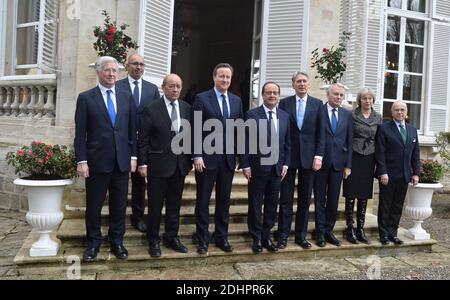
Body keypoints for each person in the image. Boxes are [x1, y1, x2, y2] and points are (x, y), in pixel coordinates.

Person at [74, 56, 137, 262]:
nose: (111, 74)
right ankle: (93, 243)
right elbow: (80, 134)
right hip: (96, 163)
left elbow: (131, 131)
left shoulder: (126, 96)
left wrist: (133, 157)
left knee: (119, 206)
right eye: (107, 70)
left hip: (121, 162)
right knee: (94, 206)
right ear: (98, 72)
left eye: (114, 71)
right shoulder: (86, 98)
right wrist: (81, 161)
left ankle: (117, 241)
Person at [137, 74, 192, 257]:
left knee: (174, 206)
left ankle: (172, 237)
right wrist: (142, 163)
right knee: (155, 206)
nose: (175, 89)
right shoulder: (151, 109)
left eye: (178, 86)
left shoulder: (186, 108)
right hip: (157, 166)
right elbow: (143, 140)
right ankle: (153, 240)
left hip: (179, 166)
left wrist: (190, 159)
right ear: (163, 87)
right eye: (171, 86)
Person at [192, 63, 244, 254]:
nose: (224, 80)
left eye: (228, 77)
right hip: (206, 159)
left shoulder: (237, 101)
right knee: (203, 200)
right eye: (221, 76)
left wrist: (239, 154)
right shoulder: (201, 98)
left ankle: (222, 237)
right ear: (214, 77)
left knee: (224, 201)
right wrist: (196, 154)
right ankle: (202, 239)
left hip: (228, 160)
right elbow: (196, 128)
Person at [240, 82, 291, 253]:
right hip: (257, 168)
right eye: (268, 92)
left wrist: (285, 164)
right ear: (262, 95)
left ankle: (266, 236)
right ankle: (256, 237)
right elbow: (245, 142)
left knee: (271, 204)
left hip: (277, 169)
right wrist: (245, 164)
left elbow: (288, 144)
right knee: (255, 204)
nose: (272, 95)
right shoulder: (251, 115)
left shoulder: (284, 116)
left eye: (275, 93)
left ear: (279, 96)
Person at [276, 71, 325, 250]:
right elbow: (281, 130)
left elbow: (321, 133)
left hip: (310, 159)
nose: (302, 84)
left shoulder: (318, 105)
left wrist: (319, 156)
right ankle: (282, 236)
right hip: (288, 158)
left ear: (308, 84)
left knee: (305, 200)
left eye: (304, 81)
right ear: (293, 85)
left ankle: (301, 236)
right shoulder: (284, 103)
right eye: (298, 81)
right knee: (286, 199)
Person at [116, 53, 160, 233]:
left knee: (140, 183)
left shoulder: (152, 89)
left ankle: (138, 217)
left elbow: (158, 115)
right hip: (121, 141)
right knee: (118, 182)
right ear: (127, 67)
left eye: (142, 64)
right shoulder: (117, 86)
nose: (139, 67)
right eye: (135, 64)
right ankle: (117, 219)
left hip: (144, 143)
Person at [314, 83, 353, 247]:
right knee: (319, 200)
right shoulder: (318, 111)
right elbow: (315, 136)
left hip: (339, 164)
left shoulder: (346, 114)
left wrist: (348, 165)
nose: (338, 97)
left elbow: (349, 141)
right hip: (320, 164)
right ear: (328, 95)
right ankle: (320, 232)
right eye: (335, 94)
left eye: (341, 95)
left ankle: (329, 231)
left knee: (333, 200)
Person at [375, 100, 420, 245]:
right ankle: (383, 234)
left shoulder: (412, 130)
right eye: (396, 110)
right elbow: (380, 153)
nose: (399, 112)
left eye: (402, 110)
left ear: (406, 113)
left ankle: (392, 233)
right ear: (392, 112)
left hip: (404, 175)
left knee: (397, 206)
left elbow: (416, 154)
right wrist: (382, 172)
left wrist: (416, 173)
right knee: (385, 205)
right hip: (387, 175)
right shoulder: (383, 128)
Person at [342, 88, 382, 244]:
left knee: (364, 194)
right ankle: (350, 228)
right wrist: (347, 163)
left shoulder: (378, 117)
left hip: (369, 158)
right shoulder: (351, 115)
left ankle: (360, 228)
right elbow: (347, 137)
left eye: (370, 98)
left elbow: (380, 140)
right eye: (364, 98)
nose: (367, 101)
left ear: (373, 100)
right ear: (360, 100)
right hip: (354, 156)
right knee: (351, 193)